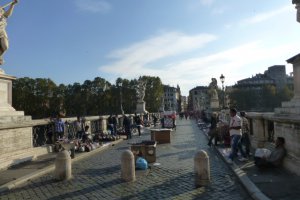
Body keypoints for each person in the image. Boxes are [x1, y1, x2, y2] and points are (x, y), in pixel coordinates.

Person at [0, 0, 18, 65]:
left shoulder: (3, 17)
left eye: (1, 11)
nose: (1, 11)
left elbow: (8, 13)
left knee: (5, 46)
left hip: (2, 33)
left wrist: (12, 5)